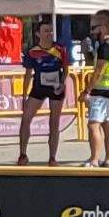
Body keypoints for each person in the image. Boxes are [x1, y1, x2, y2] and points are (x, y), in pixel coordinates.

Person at [83, 9, 109, 166]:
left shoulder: (105, 47)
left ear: (103, 27)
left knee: (93, 125)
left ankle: (94, 159)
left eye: (93, 28)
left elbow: (99, 71)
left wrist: (87, 90)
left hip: (100, 92)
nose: (91, 32)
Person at [23, 27, 70, 162]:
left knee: (54, 122)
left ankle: (52, 158)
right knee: (26, 119)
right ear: (38, 34)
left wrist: (62, 83)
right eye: (46, 31)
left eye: (50, 31)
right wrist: (24, 95)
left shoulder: (60, 49)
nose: (49, 33)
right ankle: (23, 154)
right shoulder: (32, 51)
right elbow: (27, 74)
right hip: (38, 88)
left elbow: (66, 69)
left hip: (56, 89)